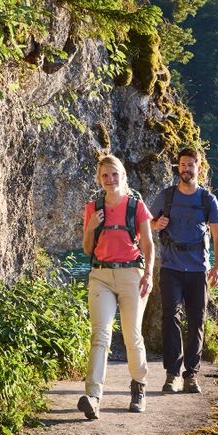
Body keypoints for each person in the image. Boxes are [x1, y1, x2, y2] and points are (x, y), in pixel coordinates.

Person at [79, 155, 155, 420]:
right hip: (100, 275)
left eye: (114, 175)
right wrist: (91, 226)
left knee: (132, 334)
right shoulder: (93, 207)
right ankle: (93, 397)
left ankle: (139, 387)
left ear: (124, 176)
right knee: (100, 335)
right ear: (99, 180)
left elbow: (148, 244)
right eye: (105, 176)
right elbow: (88, 248)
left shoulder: (137, 207)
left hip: (131, 275)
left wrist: (149, 274)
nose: (110, 180)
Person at [149, 147, 218, 394]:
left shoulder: (207, 199)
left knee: (197, 320)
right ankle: (172, 375)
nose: (186, 168)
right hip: (170, 267)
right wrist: (155, 223)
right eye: (182, 164)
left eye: (191, 164)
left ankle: (191, 374)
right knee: (170, 318)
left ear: (199, 168)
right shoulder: (166, 196)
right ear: (178, 168)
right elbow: (147, 222)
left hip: (197, 269)